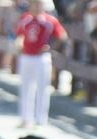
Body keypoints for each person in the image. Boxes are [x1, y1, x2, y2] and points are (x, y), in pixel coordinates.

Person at [15, 0, 67, 128]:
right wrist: (19, 44)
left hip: (41, 57)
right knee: (26, 87)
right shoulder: (25, 18)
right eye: (34, 4)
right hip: (27, 56)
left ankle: (41, 119)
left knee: (42, 88)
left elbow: (62, 36)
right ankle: (25, 118)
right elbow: (20, 34)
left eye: (38, 4)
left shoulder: (50, 20)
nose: (36, 7)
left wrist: (50, 47)